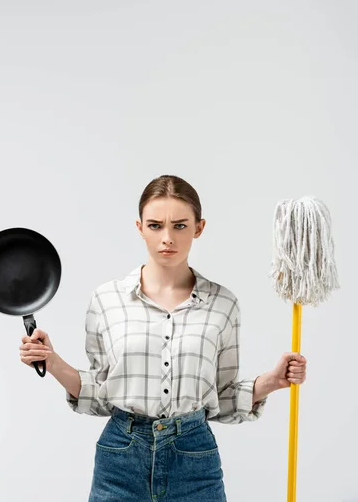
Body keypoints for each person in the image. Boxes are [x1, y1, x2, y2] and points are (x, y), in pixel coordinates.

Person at [19, 174, 307, 502]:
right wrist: (52, 362)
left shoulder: (223, 305)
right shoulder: (106, 300)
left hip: (195, 459)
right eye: (155, 225)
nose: (167, 238)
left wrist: (271, 381)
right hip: (120, 459)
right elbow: (99, 396)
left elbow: (222, 398)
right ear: (140, 227)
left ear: (199, 228)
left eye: (180, 226)